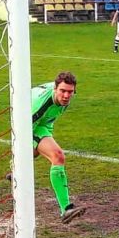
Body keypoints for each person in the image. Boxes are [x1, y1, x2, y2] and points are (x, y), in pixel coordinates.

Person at [31, 72, 86, 223]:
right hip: (27, 121)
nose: (67, 95)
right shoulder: (38, 105)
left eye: (70, 92)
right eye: (63, 91)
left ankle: (16, 170)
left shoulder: (62, 97)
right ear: (55, 89)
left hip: (44, 123)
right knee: (57, 156)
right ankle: (66, 209)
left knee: (39, 153)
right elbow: (24, 130)